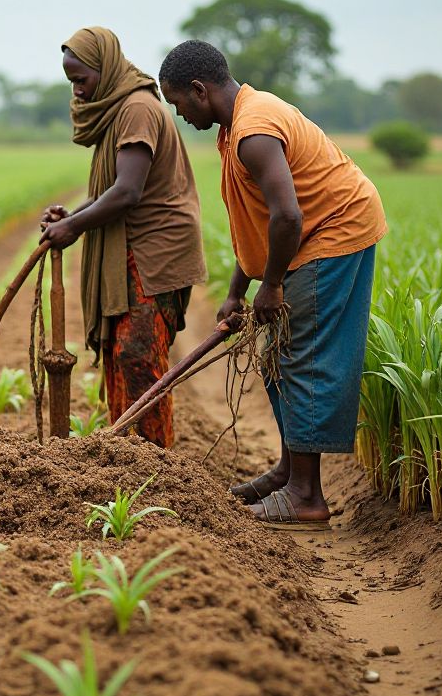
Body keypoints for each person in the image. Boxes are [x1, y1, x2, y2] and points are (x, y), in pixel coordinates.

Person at [159, 39, 387, 528]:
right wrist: (237, 291)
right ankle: (289, 472)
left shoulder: (254, 130)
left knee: (299, 352)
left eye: (178, 103)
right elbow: (258, 218)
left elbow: (287, 216)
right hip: (304, 235)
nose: (179, 115)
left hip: (334, 231)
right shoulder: (235, 125)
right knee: (277, 352)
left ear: (199, 90)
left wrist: (273, 286)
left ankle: (306, 496)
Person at [41, 27, 207, 447]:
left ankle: (157, 467)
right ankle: (127, 456)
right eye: (71, 83)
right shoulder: (120, 109)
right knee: (122, 355)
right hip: (133, 247)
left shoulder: (136, 109)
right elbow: (114, 189)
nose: (77, 92)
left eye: (82, 80)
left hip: (154, 252)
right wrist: (73, 215)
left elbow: (128, 191)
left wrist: (74, 227)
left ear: (106, 68)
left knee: (137, 356)